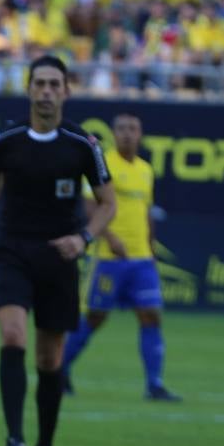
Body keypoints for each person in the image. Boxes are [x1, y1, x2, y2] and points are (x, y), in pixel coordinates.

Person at [0, 56, 116, 446]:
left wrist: (83, 239)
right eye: (38, 83)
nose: (45, 91)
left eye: (53, 84)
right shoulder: (6, 139)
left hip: (60, 255)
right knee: (11, 333)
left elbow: (108, 204)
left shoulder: (83, 146)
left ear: (65, 91)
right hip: (12, 249)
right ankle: (14, 440)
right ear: (29, 90)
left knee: (48, 358)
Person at [62, 114, 180, 401]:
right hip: (108, 258)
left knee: (151, 316)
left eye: (133, 129)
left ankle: (154, 383)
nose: (127, 134)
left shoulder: (145, 170)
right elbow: (90, 206)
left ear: (140, 135)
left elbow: (146, 212)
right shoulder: (103, 164)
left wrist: (151, 250)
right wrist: (109, 236)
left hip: (140, 258)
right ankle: (59, 369)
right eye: (122, 129)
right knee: (95, 317)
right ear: (114, 134)